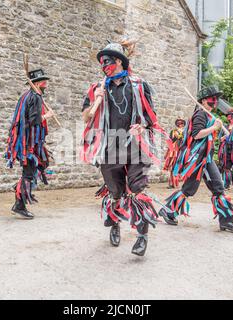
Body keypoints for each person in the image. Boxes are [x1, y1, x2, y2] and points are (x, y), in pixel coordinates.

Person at [81, 41, 170, 256]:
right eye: (102, 63)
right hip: (109, 147)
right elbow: (85, 117)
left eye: (108, 61)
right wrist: (97, 100)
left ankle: (142, 236)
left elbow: (151, 117)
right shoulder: (96, 88)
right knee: (116, 192)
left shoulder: (139, 85)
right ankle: (115, 225)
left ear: (119, 61)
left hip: (135, 147)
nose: (104, 66)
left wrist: (143, 126)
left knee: (138, 190)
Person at [159, 86, 233, 232]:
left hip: (206, 159)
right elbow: (197, 134)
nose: (215, 101)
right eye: (212, 99)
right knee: (190, 189)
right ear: (204, 101)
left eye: (216, 99)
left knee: (217, 188)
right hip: (197, 161)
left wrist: (217, 130)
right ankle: (168, 210)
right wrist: (214, 128)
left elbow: (207, 137)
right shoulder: (200, 115)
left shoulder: (208, 116)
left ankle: (227, 221)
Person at [5, 69, 55, 219]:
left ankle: (20, 190)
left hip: (27, 143)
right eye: (44, 81)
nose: (46, 84)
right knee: (29, 173)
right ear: (38, 83)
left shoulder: (26, 96)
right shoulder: (35, 97)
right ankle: (19, 204)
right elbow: (34, 121)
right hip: (29, 144)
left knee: (36, 168)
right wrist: (47, 115)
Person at [163, 118, 186, 188]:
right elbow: (170, 141)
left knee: (178, 166)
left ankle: (176, 183)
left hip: (180, 151)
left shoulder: (185, 132)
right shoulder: (173, 131)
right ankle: (171, 183)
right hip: (173, 151)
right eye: (178, 123)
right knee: (172, 166)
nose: (180, 125)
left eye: (181, 123)